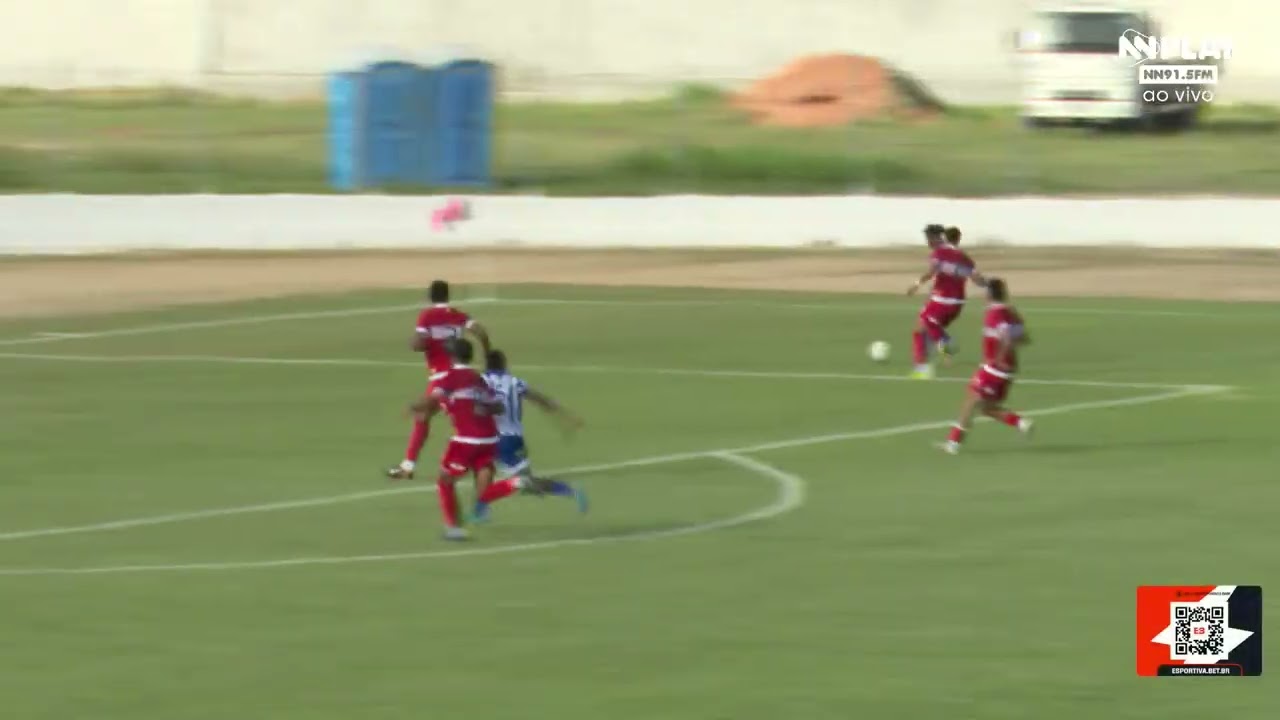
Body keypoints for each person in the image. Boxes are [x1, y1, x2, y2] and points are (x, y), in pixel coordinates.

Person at [387, 279, 492, 480]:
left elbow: (418, 343)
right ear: (447, 296)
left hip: (443, 377)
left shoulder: (427, 316)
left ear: (430, 296)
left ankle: (410, 466)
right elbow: (480, 331)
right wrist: (487, 354)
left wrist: (416, 344)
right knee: (470, 416)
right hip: (462, 373)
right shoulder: (457, 315)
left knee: (425, 415)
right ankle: (488, 461)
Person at [472, 350, 588, 522]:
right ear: (504, 365)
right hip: (514, 439)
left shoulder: (480, 382)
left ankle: (567, 490)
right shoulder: (515, 383)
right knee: (488, 470)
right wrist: (567, 416)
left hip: (496, 439)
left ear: (486, 366)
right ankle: (480, 509)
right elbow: (542, 400)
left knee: (519, 481)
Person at [404, 339, 502, 541]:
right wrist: (484, 409)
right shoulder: (478, 378)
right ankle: (482, 506)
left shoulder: (450, 377)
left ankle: (454, 527)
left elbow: (432, 398)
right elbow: (499, 406)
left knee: (445, 480)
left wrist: (413, 407)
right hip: (489, 437)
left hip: (466, 439)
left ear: (451, 356)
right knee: (483, 466)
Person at [940, 277, 1034, 455]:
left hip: (995, 369)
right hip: (1007, 370)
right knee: (986, 408)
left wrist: (998, 358)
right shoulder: (1009, 312)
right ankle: (1020, 423)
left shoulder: (996, 315)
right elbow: (1025, 339)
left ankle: (953, 444)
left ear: (989, 294)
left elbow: (1006, 336)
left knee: (970, 402)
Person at [906, 225, 985, 379]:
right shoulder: (965, 258)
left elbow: (932, 271)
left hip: (943, 300)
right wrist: (989, 286)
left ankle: (943, 345)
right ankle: (922, 365)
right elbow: (976, 278)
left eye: (929, 238)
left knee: (926, 325)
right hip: (957, 303)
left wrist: (916, 285)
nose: (927, 241)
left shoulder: (939, 253)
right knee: (920, 329)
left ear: (938, 237)